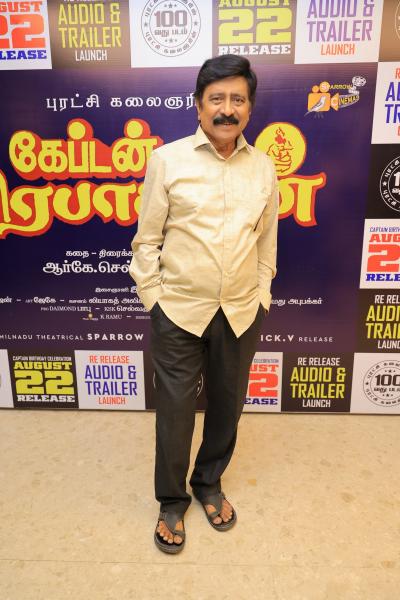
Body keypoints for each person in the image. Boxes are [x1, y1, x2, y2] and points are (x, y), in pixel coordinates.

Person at [129, 55, 279, 554]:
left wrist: (262, 293)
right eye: (217, 99)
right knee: (175, 411)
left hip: (241, 311)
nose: (226, 109)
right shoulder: (167, 160)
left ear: (250, 108)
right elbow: (146, 241)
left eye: (238, 99)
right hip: (178, 310)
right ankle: (172, 501)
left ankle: (208, 483)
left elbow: (267, 243)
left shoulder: (263, 167)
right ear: (198, 106)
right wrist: (154, 300)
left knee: (227, 406)